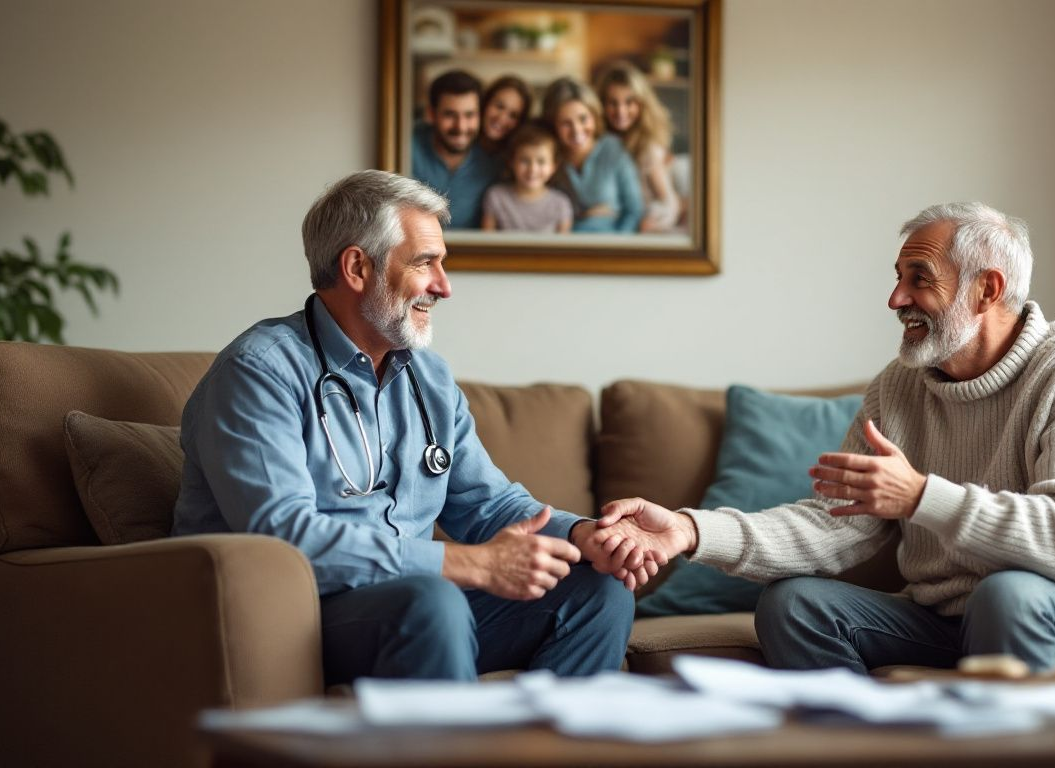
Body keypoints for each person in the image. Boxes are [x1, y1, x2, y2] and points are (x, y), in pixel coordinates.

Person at [591, 202, 1055, 674]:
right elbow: (831, 526)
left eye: (920, 280)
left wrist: (919, 497)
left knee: (1006, 596)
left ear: (987, 289)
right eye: (898, 278)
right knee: (795, 606)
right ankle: (864, 746)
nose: (896, 300)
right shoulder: (897, 388)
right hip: (943, 618)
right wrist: (691, 530)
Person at [172, 170, 649, 683]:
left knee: (599, 591)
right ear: (357, 267)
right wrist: (468, 565)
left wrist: (585, 535)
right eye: (426, 263)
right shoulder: (259, 371)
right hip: (293, 613)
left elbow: (489, 505)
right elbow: (283, 537)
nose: (444, 286)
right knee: (432, 600)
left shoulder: (428, 377)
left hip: (414, 604)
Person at [540, 77, 643, 233]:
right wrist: (584, 216)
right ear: (553, 125)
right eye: (566, 123)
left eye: (583, 119)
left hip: (611, 246)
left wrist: (618, 245)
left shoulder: (613, 148)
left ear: (594, 116)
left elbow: (634, 211)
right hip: (564, 248)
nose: (577, 130)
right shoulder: (546, 158)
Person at [410, 70, 501, 229]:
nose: (461, 126)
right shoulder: (407, 146)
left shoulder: (492, 163)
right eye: (450, 115)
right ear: (432, 114)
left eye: (469, 115)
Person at [597, 62, 681, 233]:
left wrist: (655, 219)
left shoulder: (647, 147)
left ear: (642, 104)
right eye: (613, 103)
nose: (621, 111)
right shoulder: (599, 141)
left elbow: (668, 201)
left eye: (629, 103)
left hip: (639, 223)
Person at [481, 123, 574, 233]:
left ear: (553, 166)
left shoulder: (561, 204)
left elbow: (564, 247)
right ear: (512, 162)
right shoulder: (496, 197)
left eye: (541, 161)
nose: (532, 169)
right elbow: (486, 242)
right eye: (524, 160)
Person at [478, 74, 533, 156]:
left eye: (513, 115)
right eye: (499, 106)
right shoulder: (460, 144)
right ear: (486, 103)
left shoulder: (518, 158)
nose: (501, 118)